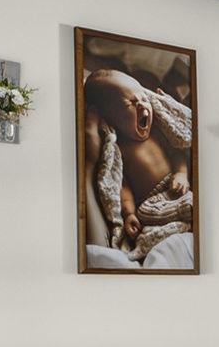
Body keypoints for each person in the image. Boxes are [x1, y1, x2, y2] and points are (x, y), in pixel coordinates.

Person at [82, 65, 193, 260]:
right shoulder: (119, 150)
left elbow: (178, 154)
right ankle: (168, 228)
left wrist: (181, 173)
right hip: (150, 204)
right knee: (163, 214)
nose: (142, 104)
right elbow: (121, 185)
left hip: (176, 188)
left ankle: (181, 223)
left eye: (143, 98)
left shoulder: (159, 133)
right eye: (130, 103)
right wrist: (129, 213)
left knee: (189, 202)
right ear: (112, 119)